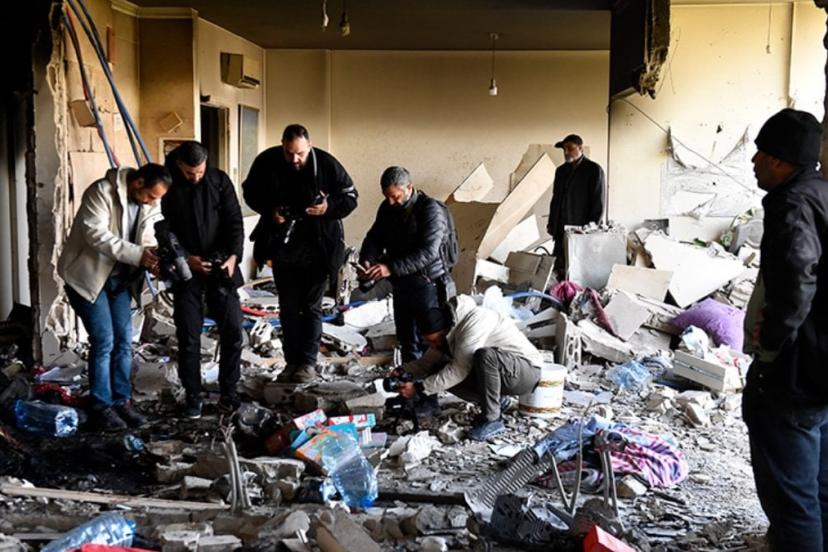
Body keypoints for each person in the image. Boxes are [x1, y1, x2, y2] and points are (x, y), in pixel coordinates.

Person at [742, 108, 828, 550]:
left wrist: (770, 348)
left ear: (779, 160)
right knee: (819, 488)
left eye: (760, 153)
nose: (754, 161)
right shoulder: (822, 192)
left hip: (797, 369)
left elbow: (796, 280)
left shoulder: (792, 204)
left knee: (792, 500)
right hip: (821, 368)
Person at [58, 163, 171, 431]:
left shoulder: (148, 204)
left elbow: (146, 236)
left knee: (124, 341)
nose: (152, 202)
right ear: (138, 182)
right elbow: (95, 235)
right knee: (104, 341)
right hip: (88, 279)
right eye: (150, 196)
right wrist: (139, 255)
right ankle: (101, 406)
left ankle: (121, 401)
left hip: (120, 280)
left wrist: (153, 255)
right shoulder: (101, 192)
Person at [243, 124, 358, 383]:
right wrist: (270, 210)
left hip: (319, 248)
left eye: (300, 154)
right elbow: (249, 192)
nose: (295, 159)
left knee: (310, 307)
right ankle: (291, 362)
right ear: (282, 145)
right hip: (283, 246)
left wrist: (328, 207)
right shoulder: (267, 161)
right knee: (288, 307)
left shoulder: (326, 164)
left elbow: (351, 198)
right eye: (289, 153)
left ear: (309, 146)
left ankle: (307, 363)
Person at [162, 141, 245, 419]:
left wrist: (234, 257)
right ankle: (193, 396)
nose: (196, 177)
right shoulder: (168, 184)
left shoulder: (219, 180)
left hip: (221, 265)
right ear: (179, 166)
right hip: (186, 270)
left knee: (233, 331)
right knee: (188, 335)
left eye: (199, 172)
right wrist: (186, 259)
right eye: (190, 173)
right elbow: (162, 231)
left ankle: (229, 393)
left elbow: (235, 222)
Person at [393, 295, 543, 441]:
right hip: (506, 374)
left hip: (527, 372)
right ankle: (497, 401)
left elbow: (459, 371)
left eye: (433, 341)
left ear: (445, 331)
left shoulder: (474, 322)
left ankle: (492, 420)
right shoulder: (447, 332)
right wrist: (402, 371)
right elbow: (426, 363)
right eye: (429, 342)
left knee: (485, 356)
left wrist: (418, 388)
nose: (433, 345)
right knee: (437, 367)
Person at [359, 166, 453, 362]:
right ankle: (409, 378)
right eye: (387, 197)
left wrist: (390, 268)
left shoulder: (431, 210)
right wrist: (368, 259)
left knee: (430, 340)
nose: (391, 202)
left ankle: (429, 381)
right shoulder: (387, 208)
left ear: (409, 187)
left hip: (427, 283)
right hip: (402, 282)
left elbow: (428, 252)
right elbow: (374, 238)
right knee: (406, 338)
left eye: (396, 196)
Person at [546, 133, 605, 271]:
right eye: (564, 149)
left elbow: (598, 202)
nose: (566, 152)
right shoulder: (561, 171)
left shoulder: (593, 170)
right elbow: (556, 199)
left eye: (570, 148)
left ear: (580, 148)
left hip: (581, 228)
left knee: (578, 267)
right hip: (561, 227)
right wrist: (551, 223)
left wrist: (592, 229)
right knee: (558, 265)